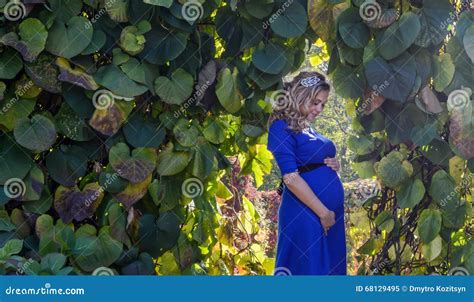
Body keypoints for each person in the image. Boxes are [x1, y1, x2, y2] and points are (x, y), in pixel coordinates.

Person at [267, 71, 346, 275]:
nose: (319, 109)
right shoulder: (280, 127)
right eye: (315, 102)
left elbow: (310, 163)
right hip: (306, 214)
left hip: (327, 217)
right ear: (301, 95)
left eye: (323, 104)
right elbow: (291, 178)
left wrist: (332, 165)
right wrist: (324, 213)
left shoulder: (305, 128)